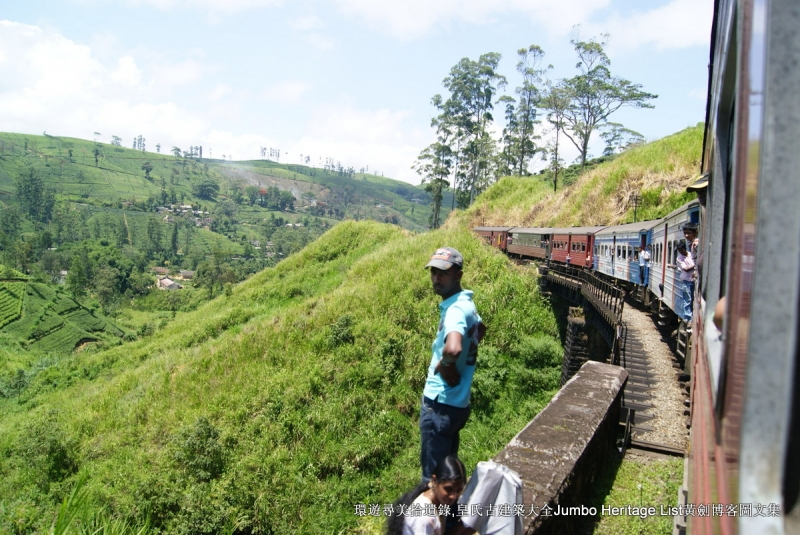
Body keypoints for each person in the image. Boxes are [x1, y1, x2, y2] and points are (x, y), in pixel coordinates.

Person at [421, 247, 485, 484]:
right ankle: (451, 519)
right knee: (449, 475)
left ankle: (434, 521)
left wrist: (446, 363)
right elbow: (480, 330)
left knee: (433, 480)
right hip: (458, 403)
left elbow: (454, 347)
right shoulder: (466, 303)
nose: (436, 279)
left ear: (458, 275)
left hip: (440, 403)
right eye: (434, 272)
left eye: (443, 273)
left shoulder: (455, 310)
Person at [386, 456, 476, 535]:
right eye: (448, 489)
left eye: (458, 490)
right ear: (434, 481)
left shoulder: (439, 503)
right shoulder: (424, 516)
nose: (453, 496)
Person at [675, 242, 695, 324]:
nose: (680, 252)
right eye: (679, 250)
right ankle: (688, 317)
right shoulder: (679, 258)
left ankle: (692, 315)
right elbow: (686, 269)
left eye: (681, 250)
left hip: (693, 279)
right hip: (686, 280)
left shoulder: (691, 254)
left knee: (693, 299)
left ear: (684, 248)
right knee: (687, 299)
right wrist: (695, 264)